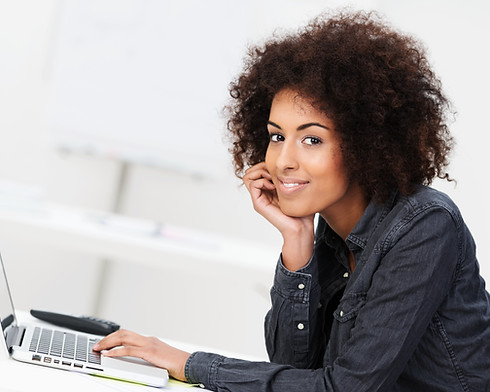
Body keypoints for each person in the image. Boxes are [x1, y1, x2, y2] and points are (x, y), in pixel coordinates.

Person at [93, 10, 490, 391]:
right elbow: (294, 370)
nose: (283, 160)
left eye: (312, 139)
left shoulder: (425, 226)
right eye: (277, 136)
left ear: (366, 144)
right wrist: (297, 246)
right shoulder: (331, 232)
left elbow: (345, 388)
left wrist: (189, 363)